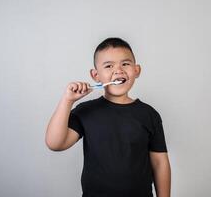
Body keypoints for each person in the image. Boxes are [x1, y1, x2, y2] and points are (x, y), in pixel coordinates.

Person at [45, 37, 171, 197]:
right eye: (109, 66)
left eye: (125, 64)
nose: (118, 70)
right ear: (96, 75)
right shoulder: (86, 111)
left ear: (137, 70)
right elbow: (55, 143)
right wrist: (67, 100)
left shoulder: (149, 114)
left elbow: (160, 163)